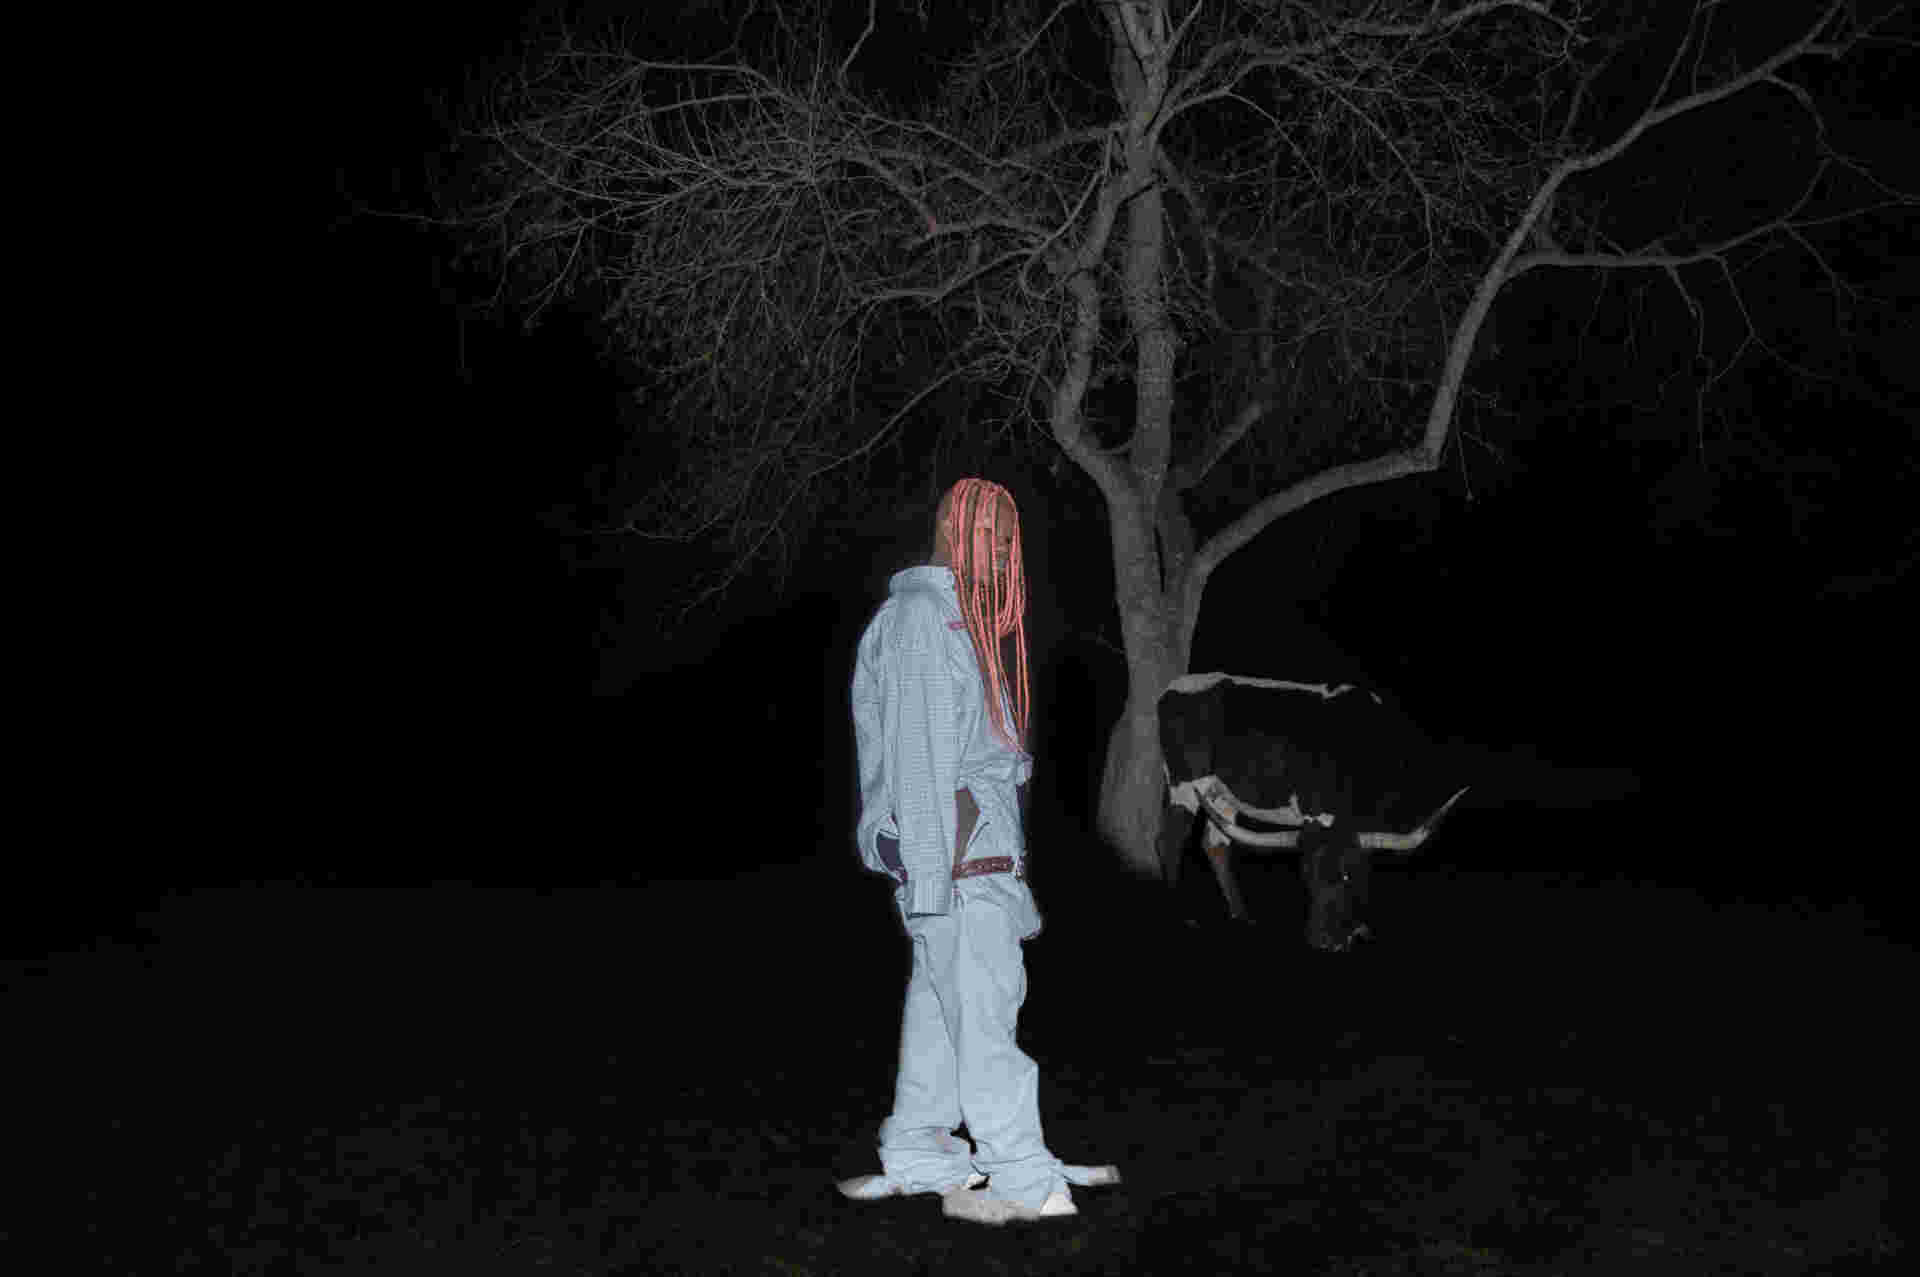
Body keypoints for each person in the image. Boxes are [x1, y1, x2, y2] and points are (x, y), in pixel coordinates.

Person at [838, 477, 1119, 1226]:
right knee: (986, 1018)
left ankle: (920, 1153)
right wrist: (933, 881)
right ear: (947, 527)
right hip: (959, 865)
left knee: (940, 1016)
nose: (1001, 549)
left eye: (1008, 536)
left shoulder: (954, 621)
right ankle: (1023, 1175)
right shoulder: (925, 619)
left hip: (965, 862)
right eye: (988, 533)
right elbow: (919, 758)